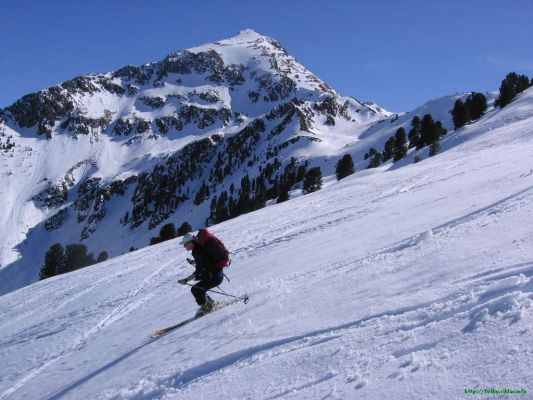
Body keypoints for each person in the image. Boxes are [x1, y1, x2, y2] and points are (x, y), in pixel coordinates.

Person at [178, 232, 224, 315]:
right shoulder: (200, 248)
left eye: (185, 244)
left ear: (190, 242)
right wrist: (194, 262)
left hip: (214, 277)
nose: (184, 246)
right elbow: (205, 261)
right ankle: (210, 304)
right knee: (199, 289)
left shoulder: (197, 252)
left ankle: (207, 308)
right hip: (217, 274)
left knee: (195, 290)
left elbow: (198, 271)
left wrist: (186, 280)